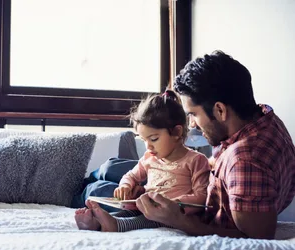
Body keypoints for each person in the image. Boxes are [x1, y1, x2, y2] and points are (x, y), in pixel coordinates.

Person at [134, 50, 295, 239]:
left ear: (220, 110)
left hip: (207, 222)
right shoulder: (266, 118)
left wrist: (177, 220)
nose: (192, 123)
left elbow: (255, 241)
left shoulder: (245, 159)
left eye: (193, 114)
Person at [74, 90, 210, 232]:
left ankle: (116, 225)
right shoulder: (149, 158)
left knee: (146, 219)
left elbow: (202, 196)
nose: (148, 146)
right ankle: (97, 221)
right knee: (127, 212)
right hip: (146, 207)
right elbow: (131, 176)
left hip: (173, 215)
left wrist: (172, 204)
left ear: (177, 132)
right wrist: (125, 186)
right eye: (144, 140)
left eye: (153, 139)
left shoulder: (196, 160)